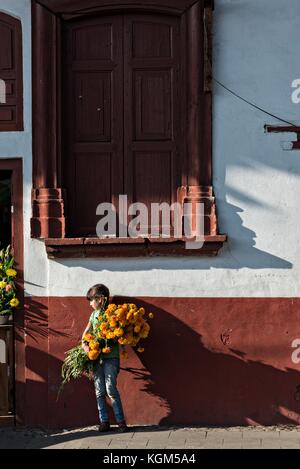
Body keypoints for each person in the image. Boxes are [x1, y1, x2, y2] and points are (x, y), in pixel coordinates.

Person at [81, 284, 128, 433]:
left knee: (110, 389)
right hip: (97, 358)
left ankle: (120, 421)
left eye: (92, 300)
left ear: (100, 299)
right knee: (99, 391)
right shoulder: (93, 315)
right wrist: (85, 345)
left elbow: (118, 335)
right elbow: (85, 334)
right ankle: (104, 421)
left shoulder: (111, 313)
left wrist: (110, 338)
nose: (90, 304)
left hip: (111, 357)